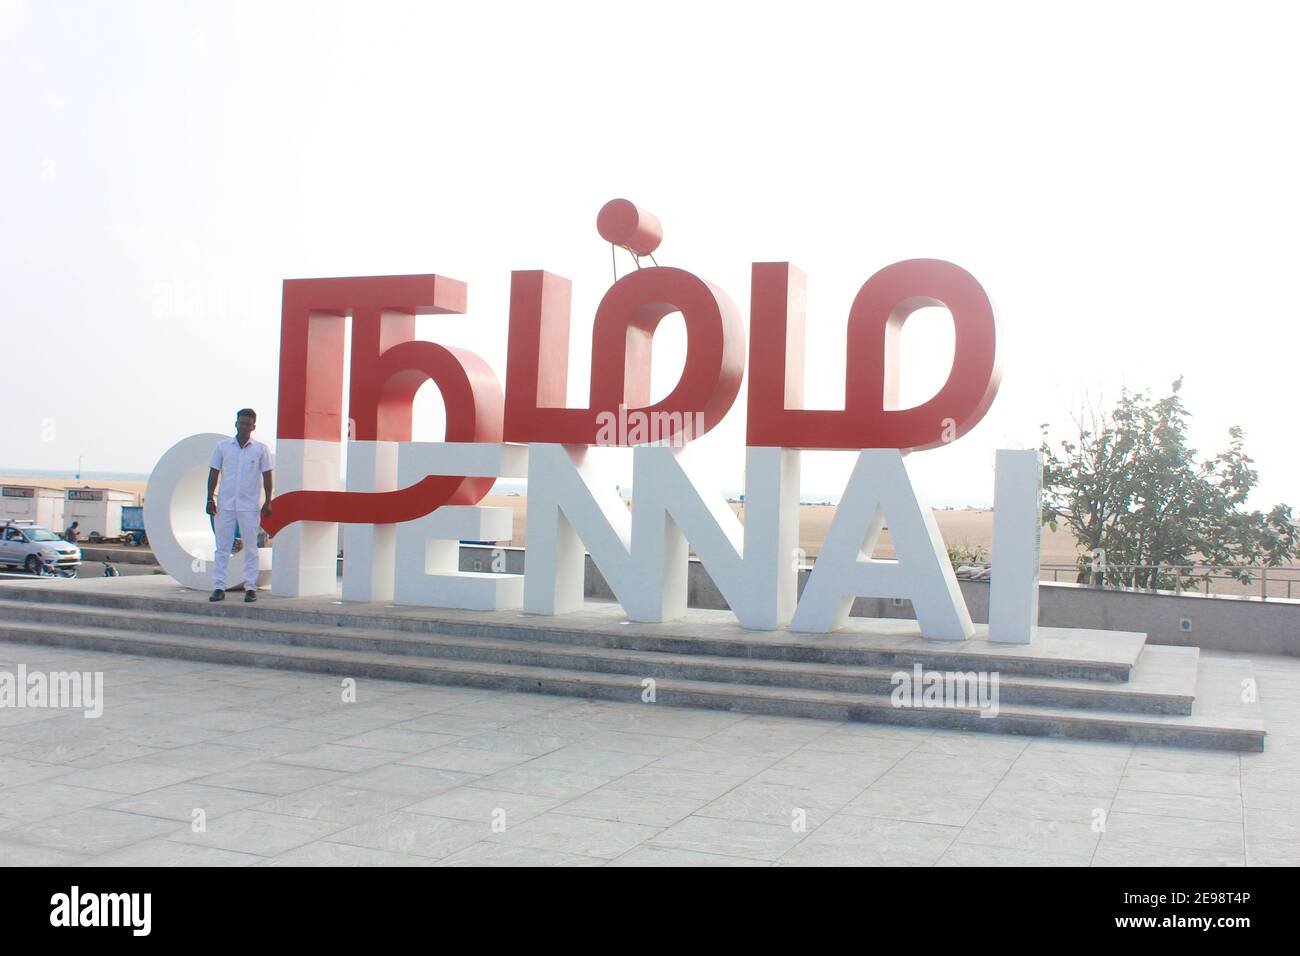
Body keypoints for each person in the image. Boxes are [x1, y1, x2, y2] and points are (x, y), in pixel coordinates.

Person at [206, 408, 273, 602]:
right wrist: (210, 498)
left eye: (248, 424)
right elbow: (214, 473)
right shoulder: (222, 447)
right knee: (222, 547)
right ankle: (219, 586)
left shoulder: (260, 449)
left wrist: (268, 500)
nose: (244, 426)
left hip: (249, 505)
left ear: (253, 426)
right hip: (225, 504)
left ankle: (250, 587)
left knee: (251, 547)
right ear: (236, 423)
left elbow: (267, 475)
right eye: (241, 422)